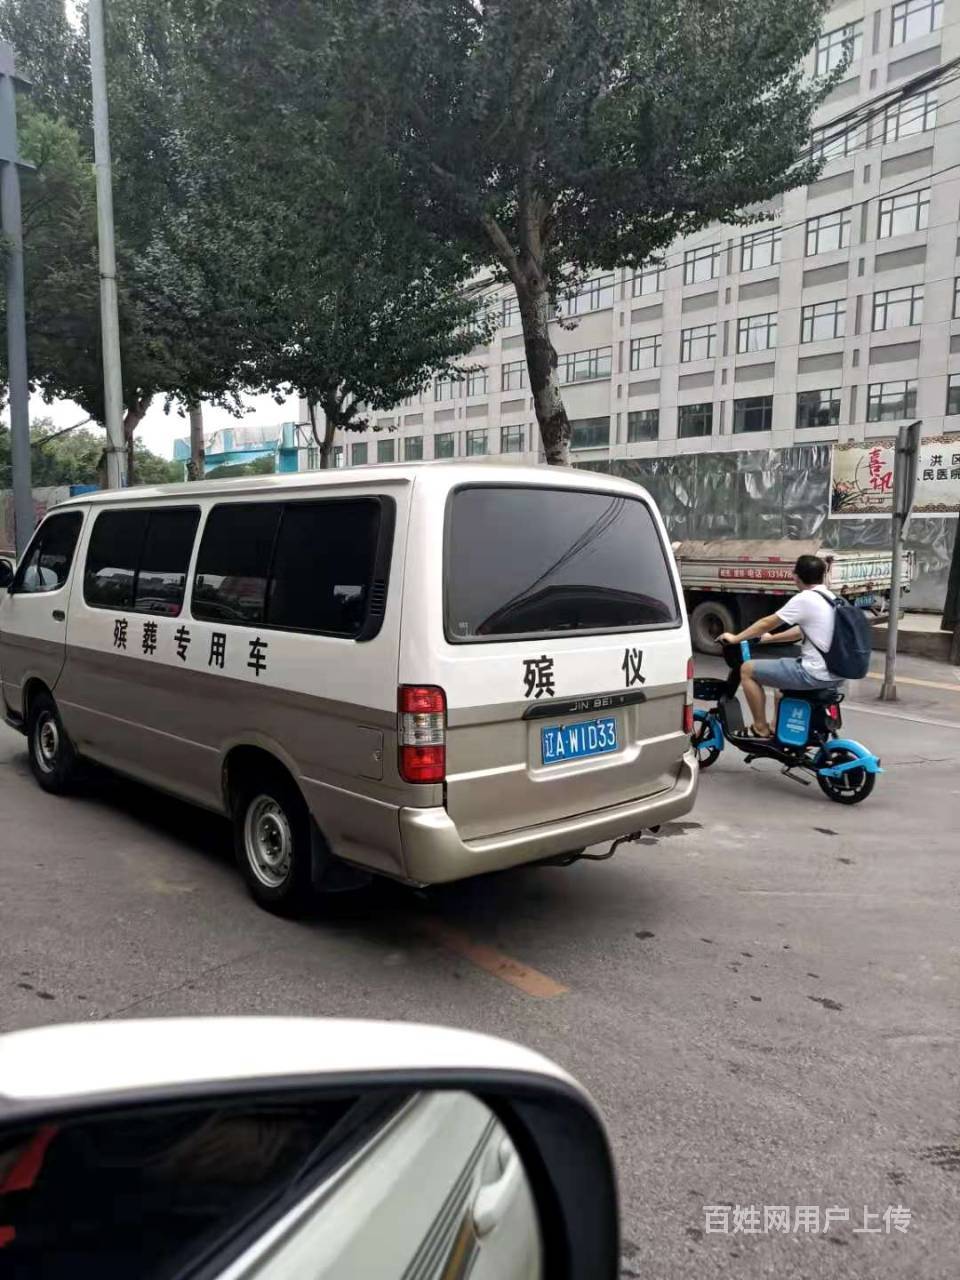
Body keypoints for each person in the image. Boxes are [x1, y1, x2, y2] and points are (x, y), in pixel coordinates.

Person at [718, 553, 842, 738]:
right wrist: (770, 639)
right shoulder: (830, 598)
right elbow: (802, 630)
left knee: (747, 670)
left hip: (814, 673)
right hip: (836, 673)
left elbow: (767, 623)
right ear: (822, 576)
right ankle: (778, 730)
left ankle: (760, 727)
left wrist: (736, 638)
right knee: (781, 682)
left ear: (796, 576)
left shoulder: (806, 598)